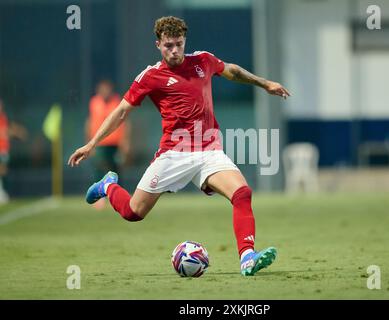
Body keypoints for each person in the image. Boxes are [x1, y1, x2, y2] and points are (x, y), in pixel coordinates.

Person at [68, 16, 291, 276]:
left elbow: (232, 71)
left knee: (242, 193)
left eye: (178, 44)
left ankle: (247, 257)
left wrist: (265, 84)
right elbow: (121, 112)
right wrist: (92, 143)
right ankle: (108, 185)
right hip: (173, 155)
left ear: (184, 42)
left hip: (209, 152)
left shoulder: (203, 61)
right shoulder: (150, 76)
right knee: (133, 212)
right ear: (158, 45)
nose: (174, 50)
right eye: (168, 46)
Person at [85, 79, 130, 209]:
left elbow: (124, 122)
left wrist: (125, 142)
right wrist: (89, 143)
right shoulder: (94, 102)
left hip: (115, 142)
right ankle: (99, 198)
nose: (105, 92)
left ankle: (117, 197)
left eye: (107, 89)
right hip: (99, 144)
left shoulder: (117, 101)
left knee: (116, 169)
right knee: (99, 168)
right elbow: (89, 122)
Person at [0, 98, 28, 203]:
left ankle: (1, 191)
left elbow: (11, 130)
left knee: (3, 170)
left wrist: (18, 133)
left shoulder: (5, 118)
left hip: (3, 150)